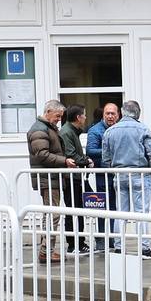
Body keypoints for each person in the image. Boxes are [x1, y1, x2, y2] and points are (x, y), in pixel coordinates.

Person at [102, 99, 151, 257]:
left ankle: (119, 246)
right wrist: (150, 168)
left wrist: (114, 169)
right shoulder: (142, 128)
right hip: (140, 174)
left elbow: (105, 158)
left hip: (119, 175)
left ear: (122, 111)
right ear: (137, 112)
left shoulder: (110, 131)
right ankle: (144, 247)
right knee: (141, 213)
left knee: (121, 212)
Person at [26, 99, 77, 262]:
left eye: (61, 117)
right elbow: (42, 154)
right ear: (48, 112)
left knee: (50, 214)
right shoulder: (40, 129)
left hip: (50, 178)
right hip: (48, 178)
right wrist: (64, 161)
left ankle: (46, 250)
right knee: (52, 214)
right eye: (57, 116)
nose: (59, 120)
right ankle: (46, 251)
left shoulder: (44, 128)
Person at [58, 104, 93, 254]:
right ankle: (74, 244)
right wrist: (87, 161)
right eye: (84, 115)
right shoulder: (67, 132)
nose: (85, 118)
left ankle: (79, 242)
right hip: (71, 178)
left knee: (77, 209)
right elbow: (71, 154)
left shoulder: (72, 131)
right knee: (73, 210)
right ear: (78, 117)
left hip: (76, 177)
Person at [87, 102, 120, 250]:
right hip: (102, 174)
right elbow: (90, 150)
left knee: (115, 207)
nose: (110, 116)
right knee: (103, 207)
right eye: (108, 113)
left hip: (118, 173)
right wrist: (109, 151)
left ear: (118, 115)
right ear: (103, 115)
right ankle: (101, 238)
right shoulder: (95, 130)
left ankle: (113, 237)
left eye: (113, 113)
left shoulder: (120, 129)